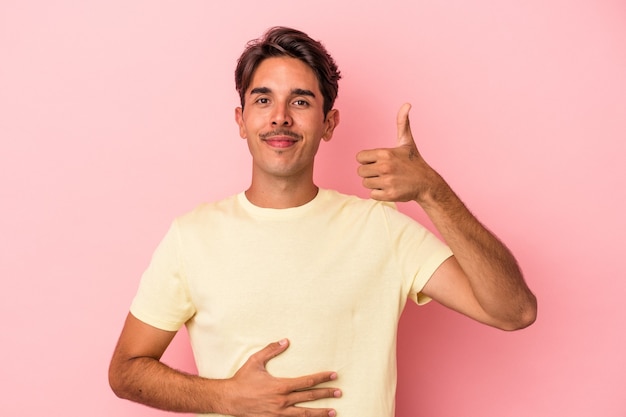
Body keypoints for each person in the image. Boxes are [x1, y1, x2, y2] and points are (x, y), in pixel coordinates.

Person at [109, 26, 537, 417]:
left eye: (300, 100)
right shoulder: (192, 236)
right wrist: (226, 397)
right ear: (241, 121)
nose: (280, 116)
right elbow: (126, 371)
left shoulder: (380, 229)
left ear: (329, 123)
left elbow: (514, 311)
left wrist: (432, 192)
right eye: (263, 100)